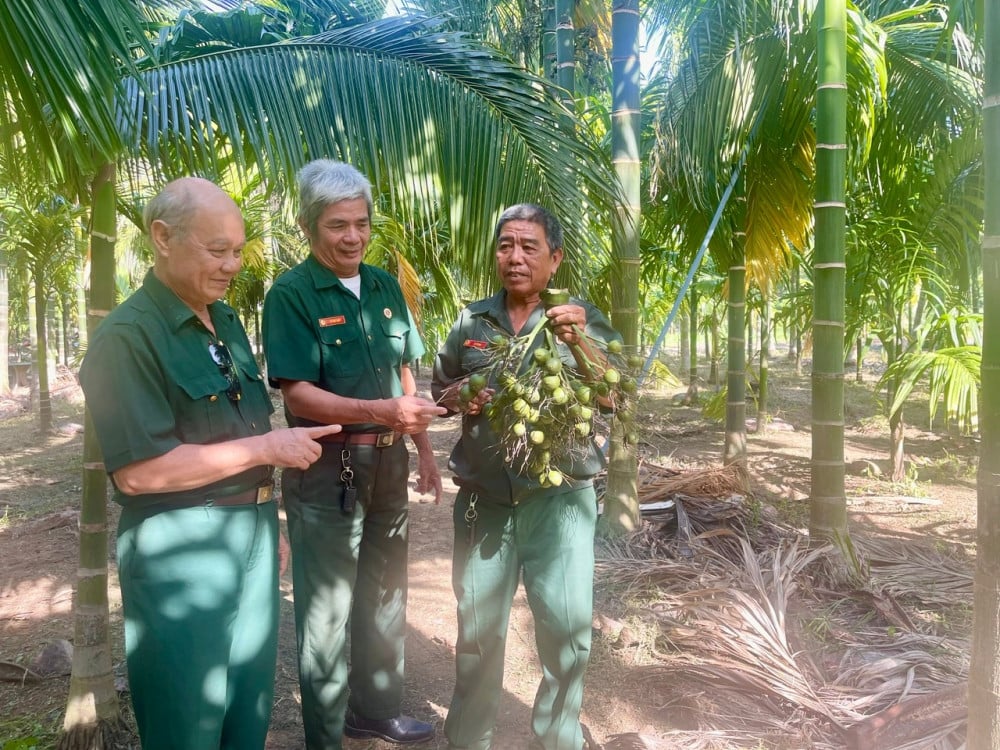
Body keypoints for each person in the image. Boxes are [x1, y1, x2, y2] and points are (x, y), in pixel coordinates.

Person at [79, 177, 341, 750]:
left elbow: (235, 430)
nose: (232, 265)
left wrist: (263, 511)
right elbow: (139, 473)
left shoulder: (224, 322)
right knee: (185, 720)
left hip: (248, 536)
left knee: (245, 713)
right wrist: (269, 449)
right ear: (162, 237)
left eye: (239, 250)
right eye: (217, 249)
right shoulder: (126, 338)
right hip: (181, 547)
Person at [262, 159, 446, 749]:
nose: (353, 237)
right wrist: (377, 413)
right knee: (327, 610)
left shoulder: (386, 286)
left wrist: (422, 448)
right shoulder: (291, 295)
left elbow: (403, 372)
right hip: (328, 472)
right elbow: (298, 393)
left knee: (386, 591)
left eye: (362, 224)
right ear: (307, 225)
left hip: (390, 463)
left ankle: (376, 710)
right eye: (338, 225)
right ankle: (325, 735)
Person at [432, 204, 621, 750]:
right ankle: (467, 741)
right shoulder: (472, 322)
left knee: (566, 634)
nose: (514, 257)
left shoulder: (581, 320)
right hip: (483, 503)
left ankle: (559, 740)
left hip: (558, 505)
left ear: (554, 259)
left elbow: (608, 394)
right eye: (505, 245)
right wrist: (467, 397)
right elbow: (441, 394)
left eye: (529, 246)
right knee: (477, 634)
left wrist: (577, 343)